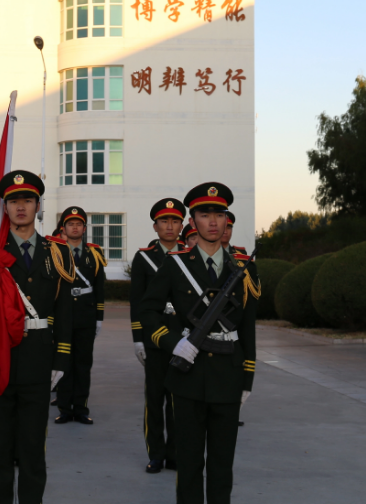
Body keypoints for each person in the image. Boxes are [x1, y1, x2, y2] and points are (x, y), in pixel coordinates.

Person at [140, 182, 259, 504]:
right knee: (189, 465)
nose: (212, 222)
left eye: (219, 215)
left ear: (226, 221)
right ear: (192, 221)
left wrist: (247, 377)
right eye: (204, 215)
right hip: (187, 376)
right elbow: (148, 311)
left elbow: (248, 327)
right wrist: (171, 343)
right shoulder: (176, 264)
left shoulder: (243, 267)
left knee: (222, 466)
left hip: (228, 374)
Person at [0, 170, 74, 504]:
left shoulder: (56, 252)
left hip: (38, 359)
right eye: (13, 201)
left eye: (28, 199)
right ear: (5, 208)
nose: (21, 207)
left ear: (38, 205)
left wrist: (62, 358)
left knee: (32, 451)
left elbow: (66, 310)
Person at [130, 197, 186, 474]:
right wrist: (138, 338)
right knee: (155, 398)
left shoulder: (190, 255)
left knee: (178, 398)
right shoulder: (143, 258)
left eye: (175, 220)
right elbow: (137, 301)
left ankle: (175, 452)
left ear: (182, 225)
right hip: (154, 339)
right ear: (155, 226)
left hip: (184, 339)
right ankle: (156, 453)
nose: (169, 226)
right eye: (164, 221)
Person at [54, 206, 106, 425]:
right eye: (70, 224)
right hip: (62, 315)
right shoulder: (55, 252)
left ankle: (81, 408)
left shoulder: (94, 253)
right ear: (63, 228)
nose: (74, 227)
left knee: (83, 364)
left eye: (78, 224)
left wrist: (99, 317)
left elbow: (99, 286)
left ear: (84, 228)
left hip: (85, 315)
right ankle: (65, 408)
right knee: (63, 362)